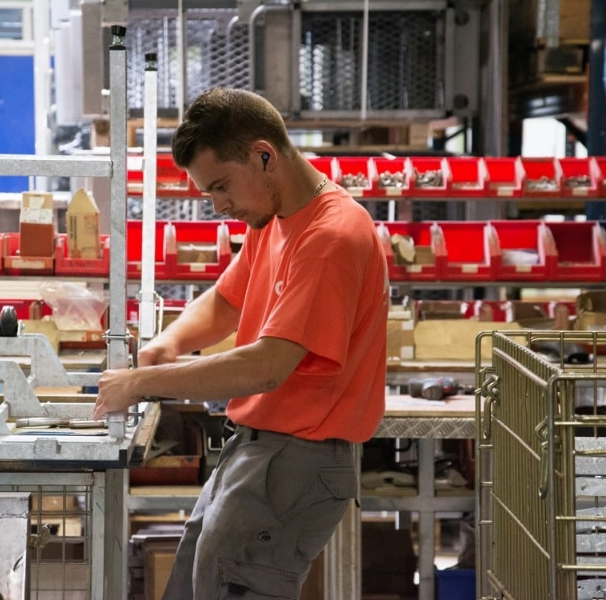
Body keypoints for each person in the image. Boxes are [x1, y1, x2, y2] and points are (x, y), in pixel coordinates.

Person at [93, 86, 388, 599]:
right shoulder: (274, 218)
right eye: (209, 192)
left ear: (264, 156)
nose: (218, 205)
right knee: (195, 583)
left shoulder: (329, 238)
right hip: (258, 450)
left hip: (297, 461)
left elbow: (267, 366)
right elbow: (227, 301)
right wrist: (165, 345)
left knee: (228, 584)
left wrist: (141, 382)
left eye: (222, 186)